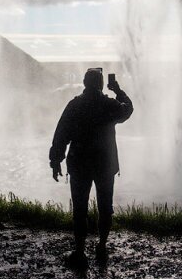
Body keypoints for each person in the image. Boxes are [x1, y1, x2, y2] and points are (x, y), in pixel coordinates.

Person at [49, 67, 133, 266]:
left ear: (85, 83)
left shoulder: (75, 105)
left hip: (79, 163)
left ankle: (79, 252)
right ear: (101, 84)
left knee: (79, 209)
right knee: (105, 208)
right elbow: (127, 109)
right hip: (105, 164)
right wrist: (118, 90)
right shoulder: (108, 104)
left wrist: (55, 160)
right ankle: (102, 247)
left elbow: (61, 134)